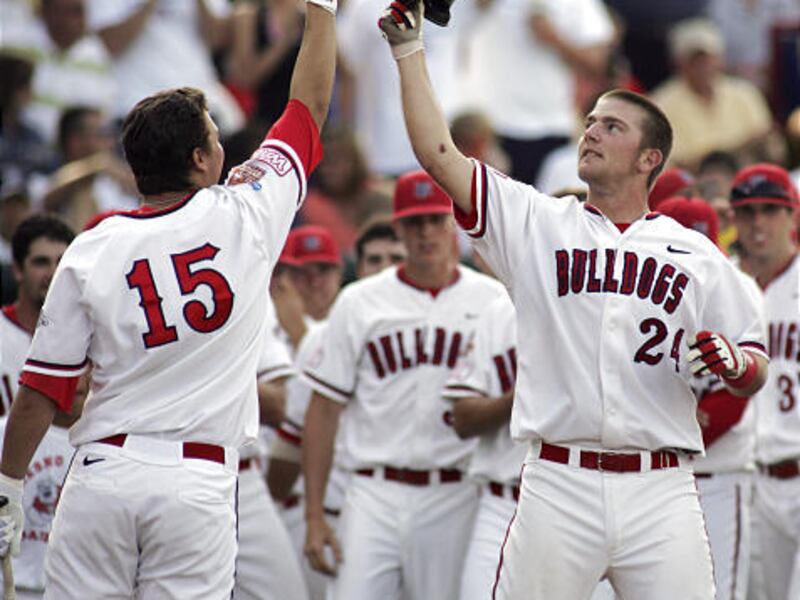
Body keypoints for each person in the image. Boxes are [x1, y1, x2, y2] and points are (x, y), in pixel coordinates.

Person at [379, 3, 769, 598]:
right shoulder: (537, 222)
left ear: (649, 160)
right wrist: (409, 52)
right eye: (590, 120)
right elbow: (439, 155)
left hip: (661, 486)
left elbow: (753, 364)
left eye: (612, 126)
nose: (591, 131)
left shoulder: (696, 253)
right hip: (559, 481)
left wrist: (736, 365)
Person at [0, 0, 337, 595]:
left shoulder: (93, 244)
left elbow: (41, 393)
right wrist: (322, 9)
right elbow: (306, 107)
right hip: (196, 480)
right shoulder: (248, 212)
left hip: (103, 471)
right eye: (214, 139)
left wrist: (7, 484)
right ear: (201, 159)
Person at [301, 169, 506, 600]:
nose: (426, 232)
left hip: (457, 491)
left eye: (435, 220)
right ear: (398, 227)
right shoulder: (359, 301)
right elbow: (323, 409)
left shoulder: (492, 301)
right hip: (373, 489)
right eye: (414, 222)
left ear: (452, 223)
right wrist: (315, 514)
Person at [659, 195, 763, 600]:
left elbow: (732, 403)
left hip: (718, 479)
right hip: (657, 479)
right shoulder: (642, 293)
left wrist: (661, 424)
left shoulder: (738, 292)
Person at [729, 163, 800, 600]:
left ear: (793, 216)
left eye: (770, 211)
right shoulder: (724, 285)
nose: (759, 223)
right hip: (749, 483)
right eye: (748, 211)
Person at [0, 214, 78, 600]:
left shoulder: (87, 339)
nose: (53, 273)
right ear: (17, 269)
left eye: (62, 262)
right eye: (41, 262)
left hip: (63, 503)